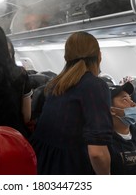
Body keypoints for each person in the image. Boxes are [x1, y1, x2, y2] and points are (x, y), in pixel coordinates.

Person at [30, 31, 112, 175]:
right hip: (70, 166)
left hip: (43, 161)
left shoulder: (56, 84)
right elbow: (97, 153)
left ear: (66, 57)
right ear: (99, 56)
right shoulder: (95, 86)